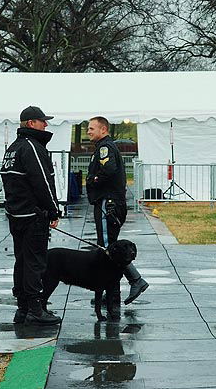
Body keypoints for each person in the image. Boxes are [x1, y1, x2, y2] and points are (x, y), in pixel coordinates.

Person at [1, 106, 62, 325]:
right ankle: (36, 307)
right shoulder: (32, 147)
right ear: (30, 124)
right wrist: (54, 209)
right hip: (33, 215)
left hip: (16, 214)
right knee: (35, 262)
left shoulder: (13, 148)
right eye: (41, 121)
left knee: (22, 261)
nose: (45, 125)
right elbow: (43, 182)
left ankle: (22, 308)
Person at [86, 116, 148, 317]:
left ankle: (134, 280)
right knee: (108, 246)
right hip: (111, 202)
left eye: (91, 128)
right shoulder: (105, 146)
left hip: (108, 203)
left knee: (107, 246)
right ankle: (111, 290)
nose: (88, 132)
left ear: (103, 129)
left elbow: (108, 170)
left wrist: (94, 180)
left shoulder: (105, 148)